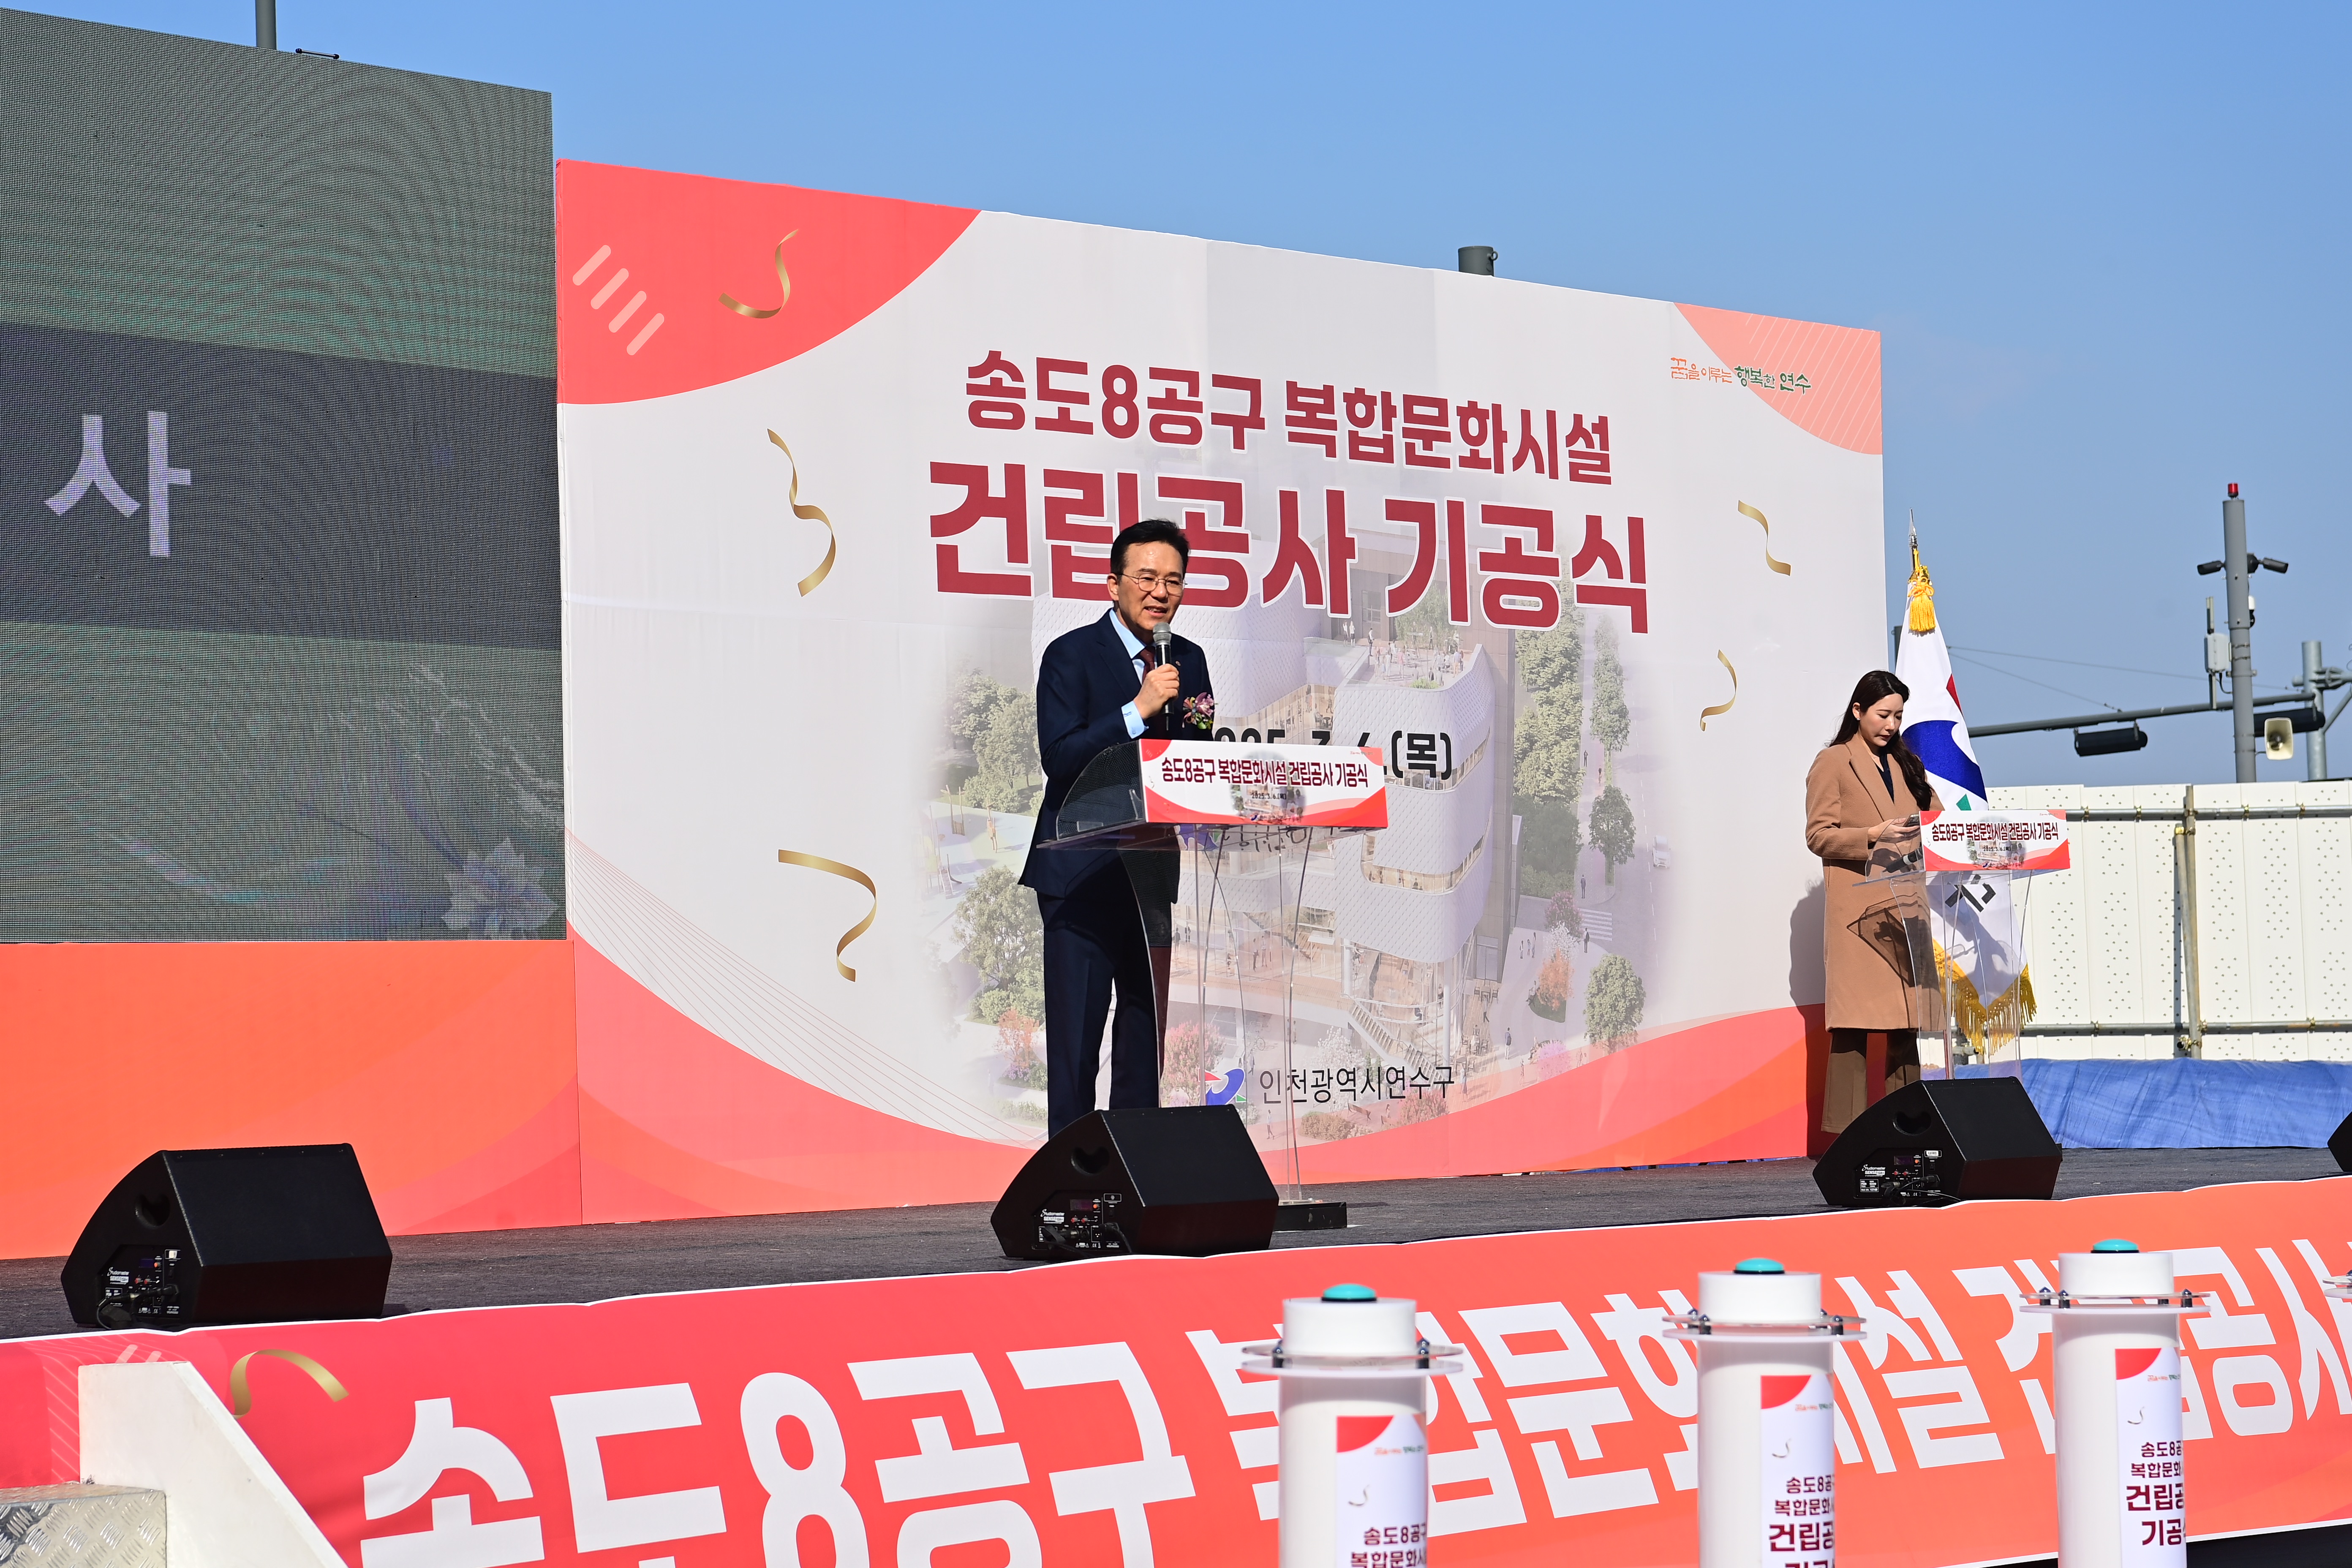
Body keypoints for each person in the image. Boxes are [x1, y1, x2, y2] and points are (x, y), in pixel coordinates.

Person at [1019, 519, 1214, 1135]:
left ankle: (1137, 1178)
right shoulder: (1071, 656)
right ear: (1114, 584)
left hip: (1150, 873)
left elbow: (1195, 760)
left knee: (1142, 1038)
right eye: (1147, 578)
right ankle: (1073, 1184)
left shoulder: (1189, 660)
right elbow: (1062, 757)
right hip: (1081, 873)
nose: (1161, 592)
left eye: (1174, 581)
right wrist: (1139, 709)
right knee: (1076, 1043)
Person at [1805, 670, 1942, 1133]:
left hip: (1909, 909)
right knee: (1854, 1028)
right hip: (1859, 914)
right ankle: (1848, 1135)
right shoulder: (1833, 761)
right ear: (1858, 710)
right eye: (1883, 714)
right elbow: (1818, 836)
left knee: (1907, 1025)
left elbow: (1938, 824)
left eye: (1899, 716)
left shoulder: (1908, 765)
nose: (1891, 725)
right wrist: (1872, 837)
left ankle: (1911, 1127)